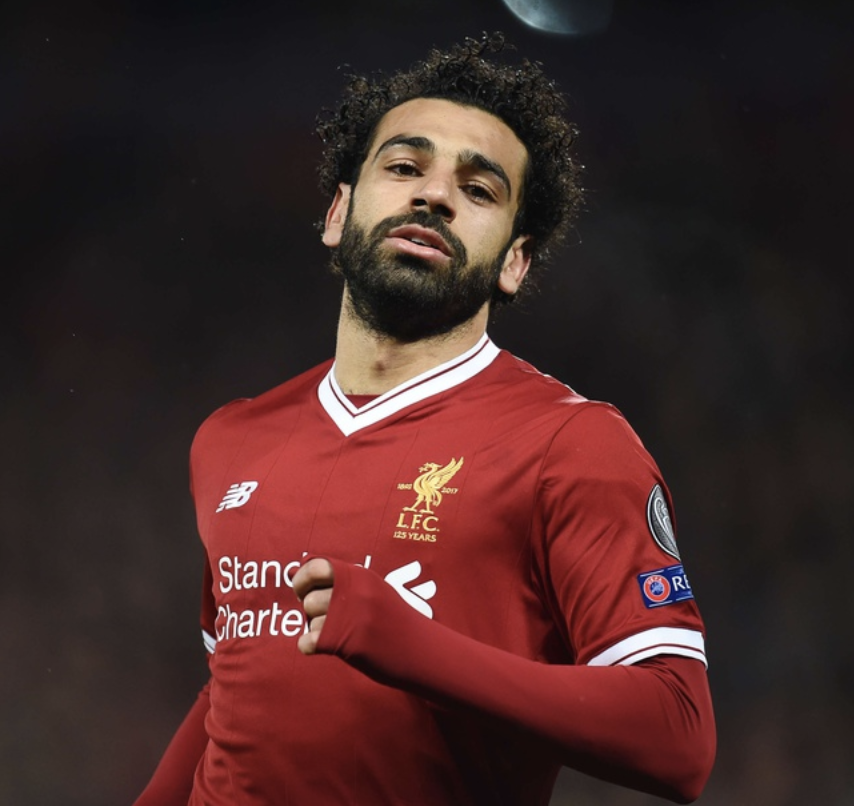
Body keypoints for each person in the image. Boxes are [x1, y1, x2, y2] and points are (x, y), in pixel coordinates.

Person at [132, 31, 716, 806]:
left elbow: (678, 738)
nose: (434, 195)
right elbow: (233, 684)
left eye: (479, 190)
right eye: (405, 167)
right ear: (339, 211)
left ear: (514, 261)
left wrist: (414, 648)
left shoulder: (570, 444)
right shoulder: (231, 438)